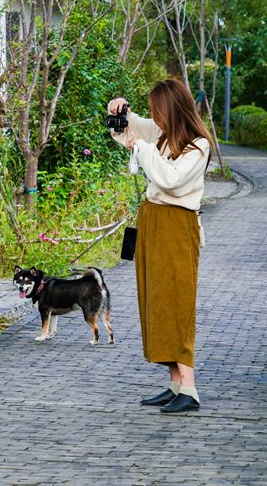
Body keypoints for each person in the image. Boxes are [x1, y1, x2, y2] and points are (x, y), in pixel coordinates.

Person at [108, 80, 214, 414]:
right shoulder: (164, 134)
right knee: (156, 301)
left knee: (178, 303)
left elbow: (169, 178)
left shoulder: (198, 146)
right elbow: (132, 129)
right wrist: (120, 110)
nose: (154, 117)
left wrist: (142, 146)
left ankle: (190, 389)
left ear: (171, 110)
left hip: (177, 226)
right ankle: (175, 385)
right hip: (153, 220)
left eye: (158, 110)